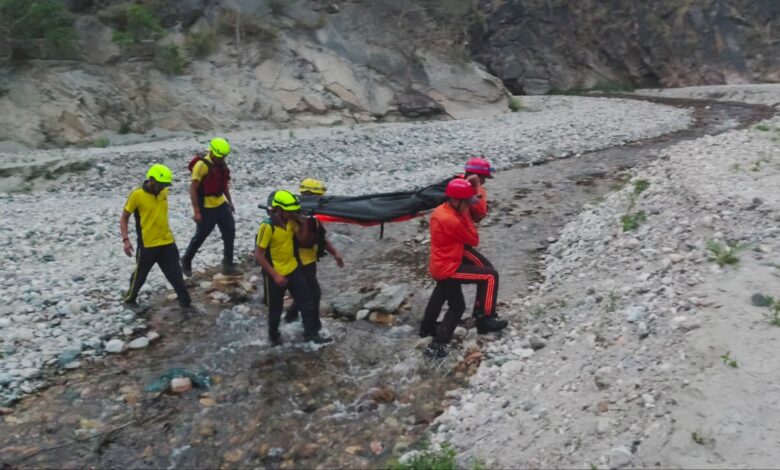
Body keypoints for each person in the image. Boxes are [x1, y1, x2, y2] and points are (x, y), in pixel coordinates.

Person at [420, 179, 507, 358]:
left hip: (440, 265)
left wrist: (470, 196)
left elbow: (477, 213)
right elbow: (474, 239)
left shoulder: (442, 210)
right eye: (466, 202)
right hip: (449, 268)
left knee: (447, 297)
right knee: (489, 277)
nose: (468, 206)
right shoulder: (451, 219)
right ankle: (483, 319)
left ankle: (427, 329)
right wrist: (466, 215)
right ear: (455, 200)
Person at [254, 190, 333, 346]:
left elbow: (304, 240)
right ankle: (274, 337)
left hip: (293, 269)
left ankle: (310, 335)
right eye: (291, 211)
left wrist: (303, 223)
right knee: (275, 311)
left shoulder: (291, 222)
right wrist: (275, 275)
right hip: (274, 274)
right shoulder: (267, 227)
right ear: (279, 211)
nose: (293, 214)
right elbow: (258, 255)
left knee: (307, 300)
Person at [120, 164, 192, 311]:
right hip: (148, 245)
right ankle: (129, 300)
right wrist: (126, 240)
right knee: (140, 276)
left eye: (166, 185)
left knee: (176, 275)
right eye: (161, 184)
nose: (163, 188)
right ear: (152, 180)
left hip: (167, 242)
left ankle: (186, 304)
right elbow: (124, 218)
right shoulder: (137, 195)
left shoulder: (163, 192)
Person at [284, 178, 345, 324]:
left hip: (309, 260)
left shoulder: (314, 216)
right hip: (298, 262)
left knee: (303, 294)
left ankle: (289, 319)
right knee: (313, 295)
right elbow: (303, 241)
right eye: (318, 197)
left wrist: (335, 253)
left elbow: (321, 237)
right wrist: (306, 221)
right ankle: (312, 329)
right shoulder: (296, 217)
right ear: (308, 195)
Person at [181, 137, 238, 277]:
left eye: (223, 157)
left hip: (220, 203)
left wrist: (230, 202)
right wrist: (196, 211)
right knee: (201, 234)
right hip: (205, 206)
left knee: (229, 230)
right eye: (219, 157)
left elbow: (223, 185)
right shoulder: (202, 166)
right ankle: (186, 259)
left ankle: (228, 264)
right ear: (211, 152)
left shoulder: (221, 165)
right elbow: (193, 188)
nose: (221, 159)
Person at [460, 157, 502, 320]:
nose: (484, 182)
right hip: (459, 246)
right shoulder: (463, 190)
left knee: (446, 291)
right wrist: (476, 188)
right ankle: (485, 316)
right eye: (483, 178)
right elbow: (480, 213)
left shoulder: (461, 185)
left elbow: (478, 215)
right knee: (489, 274)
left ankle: (480, 310)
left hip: (456, 245)